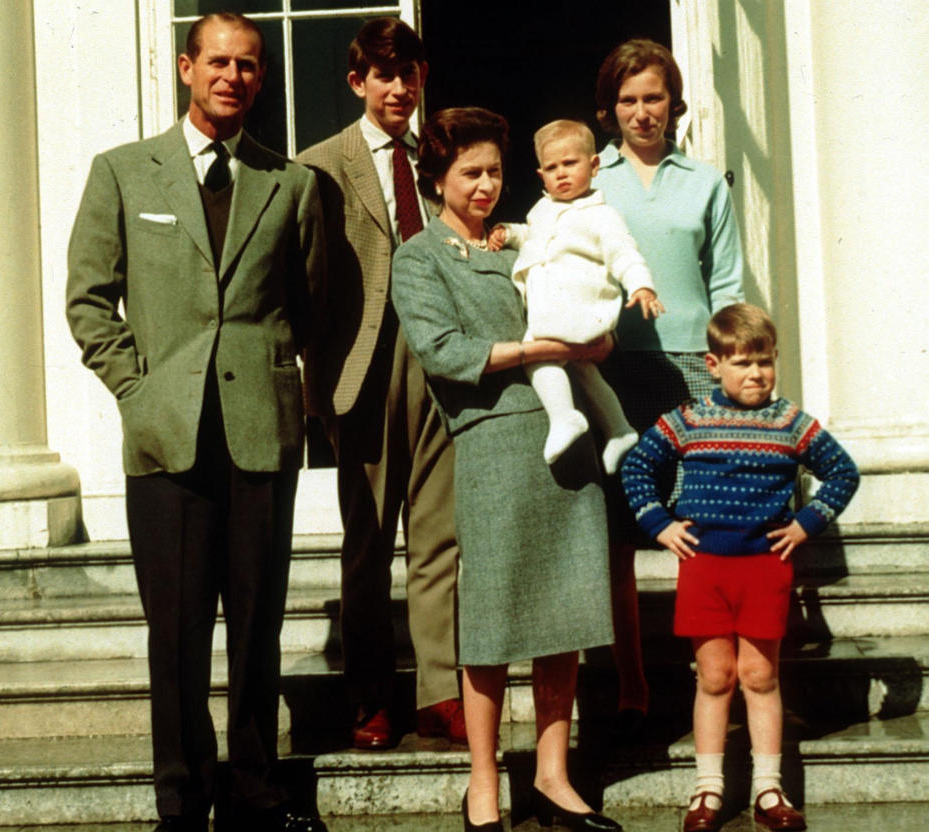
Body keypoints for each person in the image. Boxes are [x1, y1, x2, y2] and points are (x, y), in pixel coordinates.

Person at [66, 14, 326, 832]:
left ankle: (254, 788)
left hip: (259, 432)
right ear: (187, 67)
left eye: (249, 66)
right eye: (218, 61)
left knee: (257, 623)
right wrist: (137, 390)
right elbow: (87, 299)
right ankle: (181, 797)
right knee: (175, 633)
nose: (234, 77)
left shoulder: (289, 183)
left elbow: (307, 305)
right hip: (167, 438)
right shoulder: (123, 173)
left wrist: (289, 384)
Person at [392, 107, 621, 832]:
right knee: (488, 625)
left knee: (566, 612)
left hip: (568, 440)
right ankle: (483, 784)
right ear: (437, 179)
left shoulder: (530, 236)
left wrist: (588, 340)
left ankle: (553, 777)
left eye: (495, 171)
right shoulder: (419, 258)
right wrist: (538, 350)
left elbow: (590, 303)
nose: (487, 185)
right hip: (490, 438)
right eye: (471, 173)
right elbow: (444, 351)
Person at [621, 304, 859, 832]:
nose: (756, 374)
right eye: (743, 363)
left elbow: (843, 471)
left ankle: (768, 790)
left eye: (765, 362)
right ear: (713, 364)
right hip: (705, 567)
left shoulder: (791, 423)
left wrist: (806, 523)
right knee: (714, 677)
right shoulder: (689, 420)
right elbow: (638, 466)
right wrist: (659, 522)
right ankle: (707, 790)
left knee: (759, 674)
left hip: (764, 568)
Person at [296, 17, 464, 750]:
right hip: (364, 370)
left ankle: (440, 694)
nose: (399, 88)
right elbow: (303, 284)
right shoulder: (319, 164)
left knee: (440, 539)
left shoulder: (444, 158)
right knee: (367, 543)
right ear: (357, 81)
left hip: (441, 364)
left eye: (410, 74)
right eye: (384, 76)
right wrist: (317, 381)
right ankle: (371, 700)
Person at [591, 38, 746, 736]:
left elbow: (729, 287)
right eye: (628, 100)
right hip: (616, 368)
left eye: (653, 97)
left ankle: (708, 671)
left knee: (703, 525)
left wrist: (729, 376)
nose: (642, 112)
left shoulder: (705, 182)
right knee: (622, 529)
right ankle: (630, 677)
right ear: (611, 108)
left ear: (673, 102)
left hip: (692, 369)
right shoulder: (590, 178)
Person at [488, 119, 664, 473]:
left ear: (594, 166)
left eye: (570, 164)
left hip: (579, 305)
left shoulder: (602, 216)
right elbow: (535, 237)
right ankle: (619, 429)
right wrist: (509, 233)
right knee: (583, 369)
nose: (562, 174)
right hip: (561, 308)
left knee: (536, 354)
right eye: (552, 168)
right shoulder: (542, 210)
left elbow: (624, 253)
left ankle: (564, 416)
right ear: (541, 175)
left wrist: (641, 284)